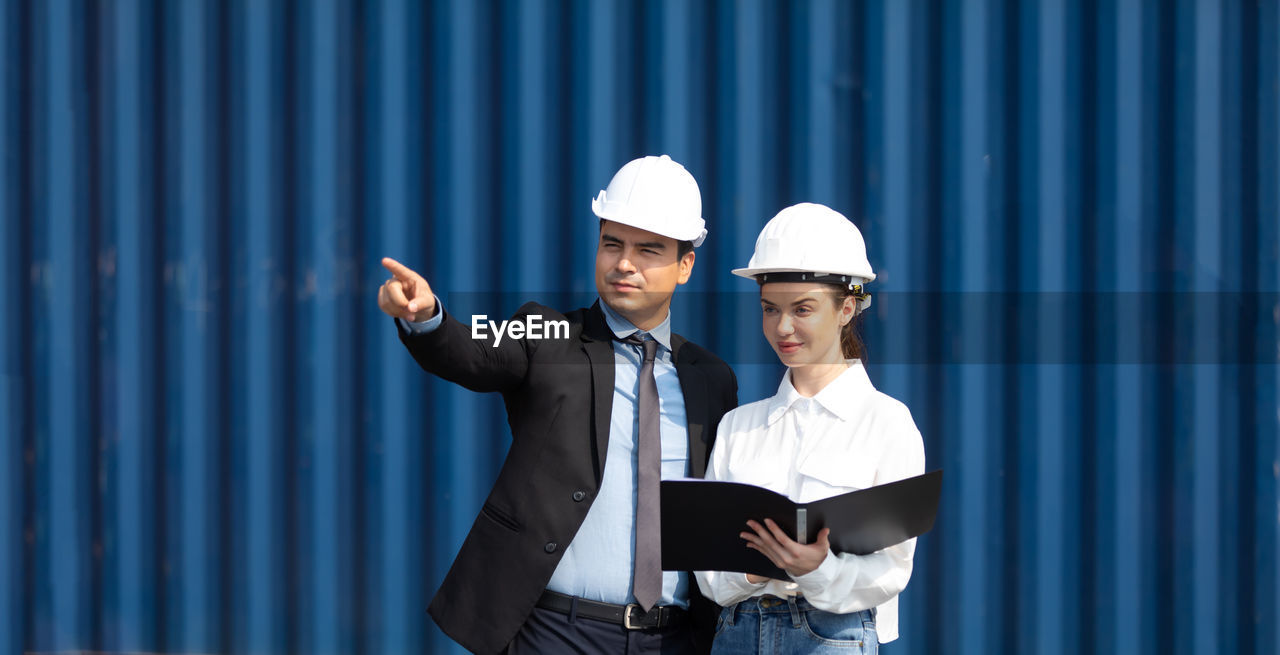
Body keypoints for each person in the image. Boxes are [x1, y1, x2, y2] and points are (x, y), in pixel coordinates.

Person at [377, 155, 738, 654]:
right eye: (612, 243)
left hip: (674, 639)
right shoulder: (547, 334)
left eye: (647, 250)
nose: (624, 263)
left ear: (685, 265)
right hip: (556, 633)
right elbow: (472, 352)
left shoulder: (711, 379)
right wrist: (428, 318)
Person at [695, 203, 926, 654]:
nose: (783, 327)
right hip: (737, 634)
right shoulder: (738, 427)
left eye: (803, 309)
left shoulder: (886, 423)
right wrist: (755, 570)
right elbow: (708, 573)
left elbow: (892, 570)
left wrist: (816, 568)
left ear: (847, 307)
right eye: (769, 309)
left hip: (831, 637)